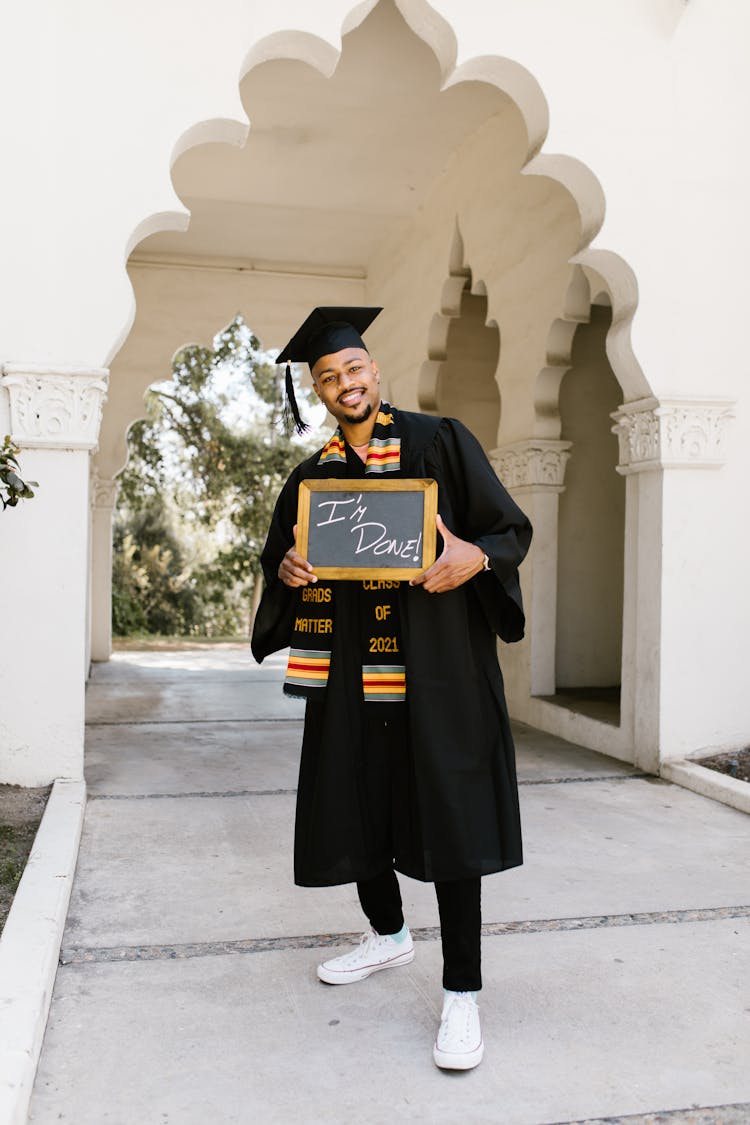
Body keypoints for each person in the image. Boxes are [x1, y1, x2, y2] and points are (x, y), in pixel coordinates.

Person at [251, 306, 532, 1070]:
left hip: (437, 673)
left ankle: (463, 993)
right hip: (350, 674)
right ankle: (387, 934)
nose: (345, 384)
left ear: (375, 371)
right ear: (319, 391)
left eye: (354, 369)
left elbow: (509, 530)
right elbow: (280, 554)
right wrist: (288, 569)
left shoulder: (440, 443)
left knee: (450, 817)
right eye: (328, 377)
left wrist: (473, 558)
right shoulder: (313, 478)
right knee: (357, 799)